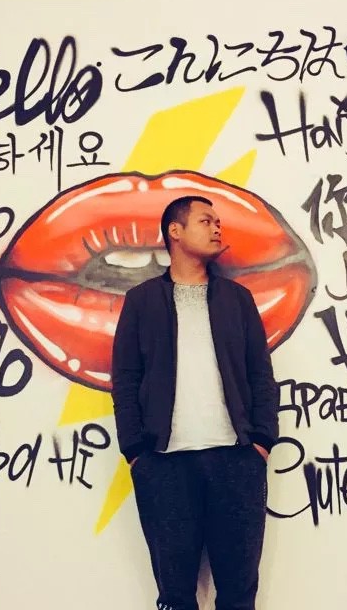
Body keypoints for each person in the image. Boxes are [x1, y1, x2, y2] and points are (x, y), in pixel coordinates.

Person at [111, 195, 279, 610]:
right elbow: (126, 378)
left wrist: (261, 442)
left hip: (236, 460)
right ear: (176, 231)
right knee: (175, 596)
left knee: (238, 594)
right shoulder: (141, 301)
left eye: (219, 222)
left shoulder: (238, 299)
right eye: (206, 220)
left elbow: (260, 373)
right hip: (163, 464)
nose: (217, 228)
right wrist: (136, 451)